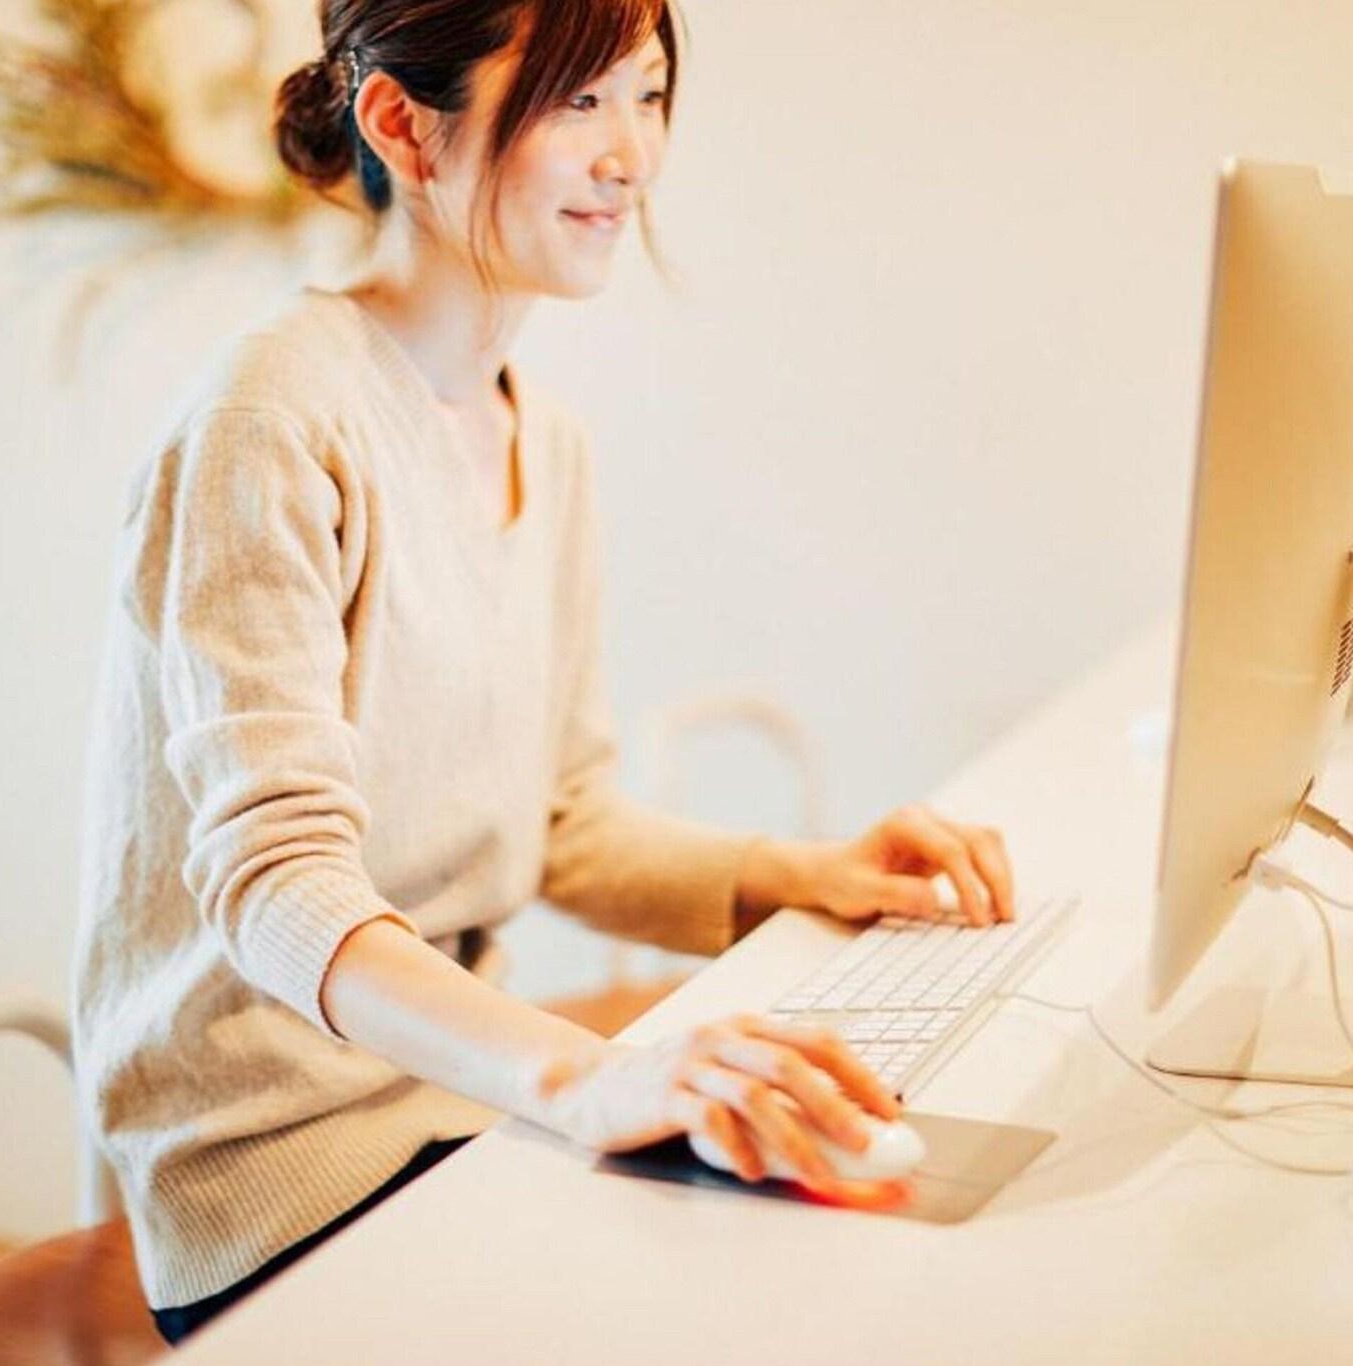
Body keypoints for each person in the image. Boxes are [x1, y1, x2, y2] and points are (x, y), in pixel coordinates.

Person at [70, 0, 1016, 1346]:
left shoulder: (546, 439)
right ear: (402, 123)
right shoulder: (269, 419)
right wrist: (582, 1079)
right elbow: (275, 884)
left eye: (647, 94)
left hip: (462, 1100)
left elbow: (560, 815)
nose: (631, 153)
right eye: (580, 102)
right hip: (274, 1168)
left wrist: (803, 873)